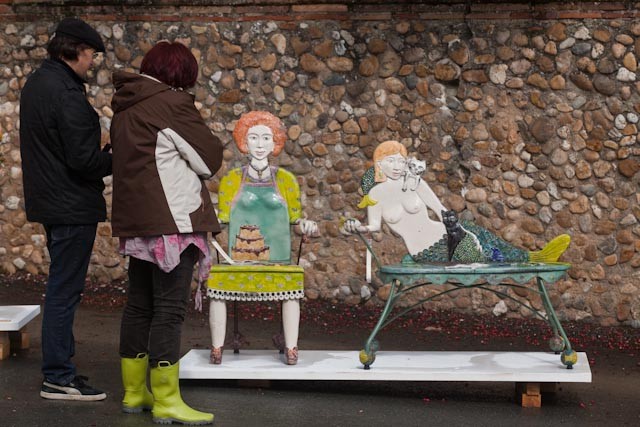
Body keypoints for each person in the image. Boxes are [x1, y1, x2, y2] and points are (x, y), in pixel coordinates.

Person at [110, 41, 223, 424]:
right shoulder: (172, 104)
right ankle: (167, 399)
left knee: (139, 306)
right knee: (170, 311)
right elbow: (209, 160)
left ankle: (133, 392)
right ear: (179, 74)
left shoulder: (125, 106)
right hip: (173, 222)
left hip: (139, 223)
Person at [20, 17, 111, 401]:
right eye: (91, 53)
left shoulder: (38, 83)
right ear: (75, 50)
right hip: (72, 205)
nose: (92, 61)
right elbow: (84, 161)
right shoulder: (66, 92)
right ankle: (58, 375)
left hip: (54, 202)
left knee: (61, 288)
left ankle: (61, 368)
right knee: (63, 291)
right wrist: (115, 153)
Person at [343, 140, 570, 264]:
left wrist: (452, 222)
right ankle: (534, 259)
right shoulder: (376, 195)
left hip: (445, 231)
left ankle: (534, 257)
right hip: (425, 249)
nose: (397, 166)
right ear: (379, 164)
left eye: (401, 162)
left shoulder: (415, 183)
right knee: (477, 253)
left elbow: (440, 210)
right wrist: (354, 226)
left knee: (484, 236)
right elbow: (372, 227)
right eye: (390, 161)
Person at [209, 110, 318, 366]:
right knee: (217, 288)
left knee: (290, 290)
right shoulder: (232, 180)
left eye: (266, 138)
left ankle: (291, 347)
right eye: (253, 138)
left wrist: (307, 225)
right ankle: (217, 347)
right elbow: (222, 217)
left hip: (278, 258)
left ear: (275, 143)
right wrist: (206, 221)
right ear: (244, 142)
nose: (260, 145)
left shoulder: (287, 180)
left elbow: (296, 219)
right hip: (237, 259)